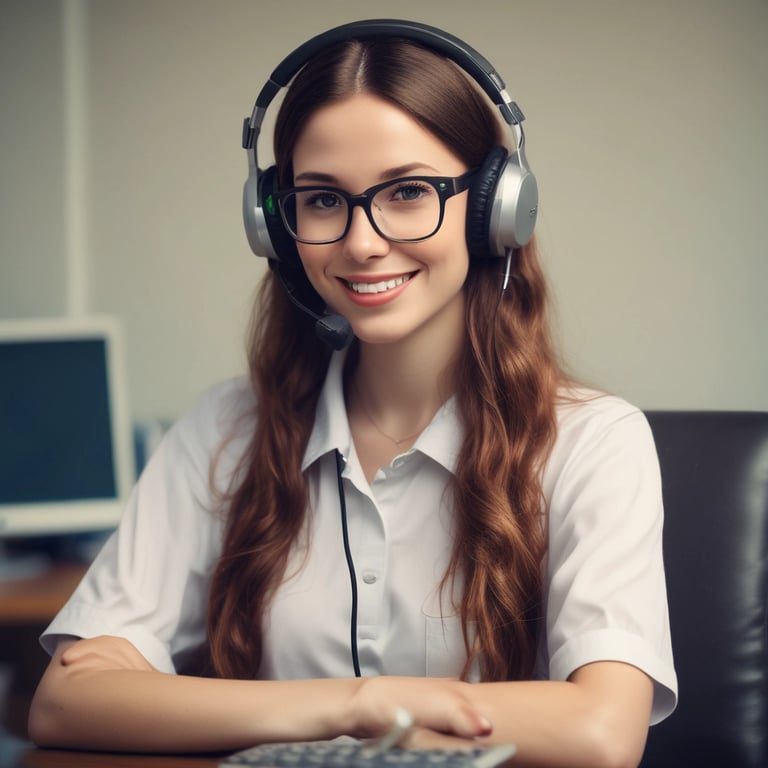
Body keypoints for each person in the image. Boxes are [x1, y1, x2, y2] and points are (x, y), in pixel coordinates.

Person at [28, 19, 677, 768]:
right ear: (277, 222)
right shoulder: (224, 432)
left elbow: (601, 734)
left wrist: (252, 714)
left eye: (408, 192)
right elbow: (67, 699)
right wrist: (361, 704)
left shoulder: (596, 441)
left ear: (496, 207)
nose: (363, 242)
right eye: (324, 200)